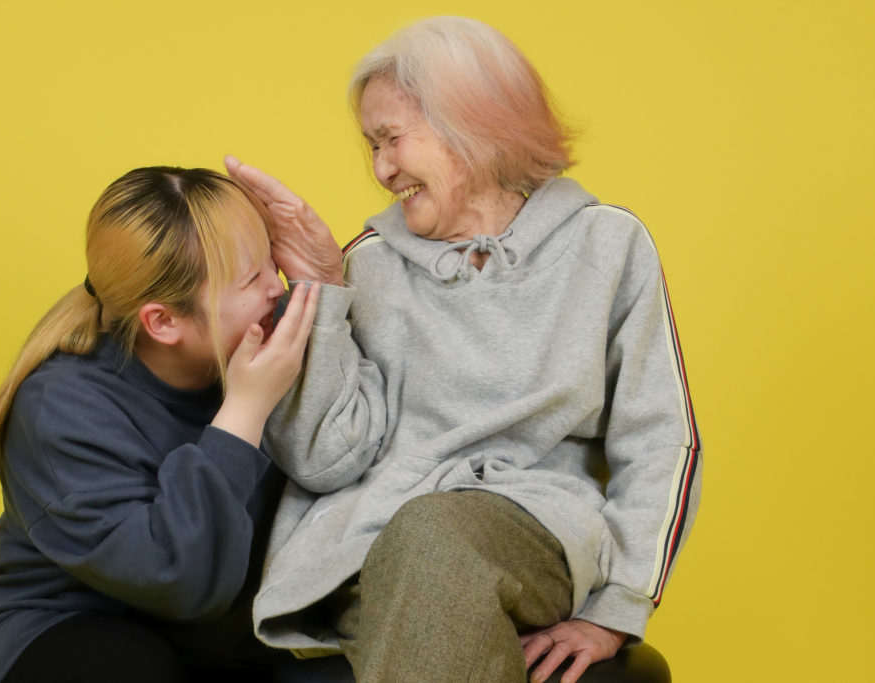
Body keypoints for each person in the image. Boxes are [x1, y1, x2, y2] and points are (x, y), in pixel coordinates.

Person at [226, 15, 702, 683]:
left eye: (391, 139)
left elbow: (660, 441)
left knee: (432, 538)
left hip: (532, 539)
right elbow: (324, 461)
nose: (381, 169)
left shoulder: (607, 246)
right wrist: (322, 294)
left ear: (475, 125)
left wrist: (618, 605)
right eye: (370, 146)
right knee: (425, 576)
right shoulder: (364, 266)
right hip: (369, 553)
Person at [0, 167, 320, 683]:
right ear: (163, 322)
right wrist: (245, 412)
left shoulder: (260, 354)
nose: (276, 288)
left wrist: (330, 282)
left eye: (269, 264)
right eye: (252, 279)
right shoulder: (60, 407)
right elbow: (181, 580)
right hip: (66, 644)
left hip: (217, 648)